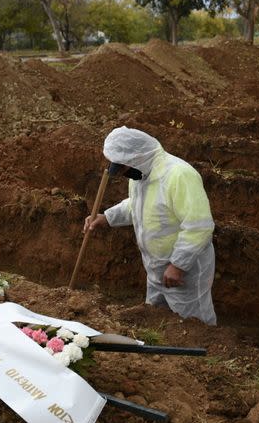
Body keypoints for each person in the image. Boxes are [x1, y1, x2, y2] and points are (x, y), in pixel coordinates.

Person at [83, 126, 217, 325]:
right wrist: (108, 217)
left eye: (123, 168)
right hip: (155, 267)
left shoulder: (179, 175)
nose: (123, 174)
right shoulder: (142, 175)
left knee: (192, 325)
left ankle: (199, 355)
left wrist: (178, 265)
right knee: (154, 319)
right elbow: (137, 204)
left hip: (184, 271)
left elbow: (198, 225)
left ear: (136, 158)